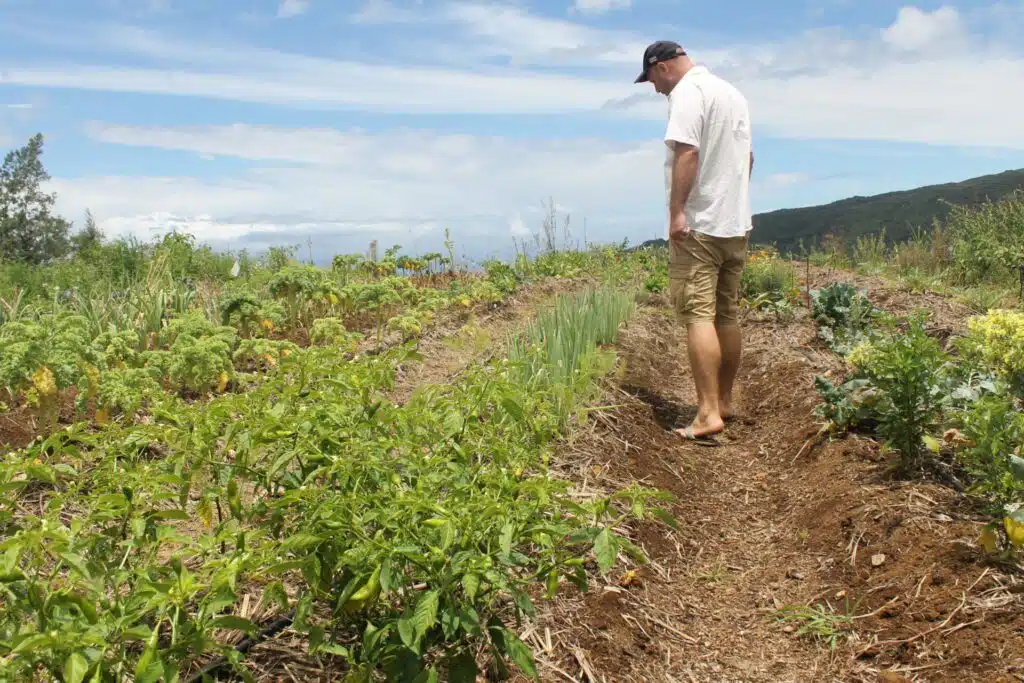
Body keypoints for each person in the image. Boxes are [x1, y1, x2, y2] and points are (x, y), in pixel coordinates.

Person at [634, 40, 754, 443]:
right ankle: (723, 401)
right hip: (734, 225)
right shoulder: (732, 93)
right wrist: (734, 203)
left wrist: (677, 212)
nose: (654, 88)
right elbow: (748, 158)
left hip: (699, 227)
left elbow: (687, 151)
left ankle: (705, 414)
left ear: (663, 66)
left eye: (651, 79)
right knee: (727, 314)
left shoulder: (687, 93)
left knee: (697, 314)